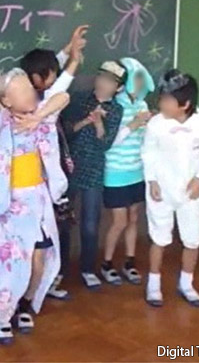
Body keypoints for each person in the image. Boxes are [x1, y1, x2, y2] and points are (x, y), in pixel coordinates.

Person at [0, 70, 70, 344]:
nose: (31, 94)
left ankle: (25, 304)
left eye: (30, 88)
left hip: (38, 201)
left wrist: (39, 117)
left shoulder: (41, 115)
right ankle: (2, 316)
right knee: (13, 266)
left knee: (40, 260)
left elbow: (63, 97)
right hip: (10, 206)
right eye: (23, 91)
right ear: (7, 100)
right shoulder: (1, 121)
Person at [19, 25, 88, 299]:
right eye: (51, 73)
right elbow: (62, 86)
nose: (55, 75)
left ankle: (45, 283)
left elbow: (51, 75)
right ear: (37, 79)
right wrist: (74, 59)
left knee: (50, 237)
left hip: (45, 182)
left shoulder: (29, 92)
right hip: (43, 185)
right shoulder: (38, 105)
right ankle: (39, 287)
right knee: (48, 237)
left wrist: (68, 49)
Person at [142, 70, 199, 308]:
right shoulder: (156, 124)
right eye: (161, 98)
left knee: (192, 239)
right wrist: (152, 181)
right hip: (161, 190)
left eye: (167, 100)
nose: (161, 104)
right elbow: (148, 152)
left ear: (185, 104)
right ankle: (153, 285)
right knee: (159, 237)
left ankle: (186, 283)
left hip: (190, 191)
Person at [65, 60, 127, 290]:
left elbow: (105, 144)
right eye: (101, 76)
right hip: (69, 167)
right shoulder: (80, 99)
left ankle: (88, 269)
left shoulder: (116, 110)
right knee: (63, 221)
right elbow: (66, 132)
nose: (102, 83)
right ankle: (59, 271)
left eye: (110, 81)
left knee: (90, 224)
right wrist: (86, 121)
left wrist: (99, 123)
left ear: (118, 88)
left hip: (94, 170)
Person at [100, 58, 154, 286]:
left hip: (137, 171)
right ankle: (106, 263)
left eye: (142, 78)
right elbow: (109, 142)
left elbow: (146, 139)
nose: (140, 83)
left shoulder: (142, 105)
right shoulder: (114, 106)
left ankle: (129, 262)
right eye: (136, 78)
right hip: (116, 172)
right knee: (119, 221)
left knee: (134, 217)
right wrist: (133, 124)